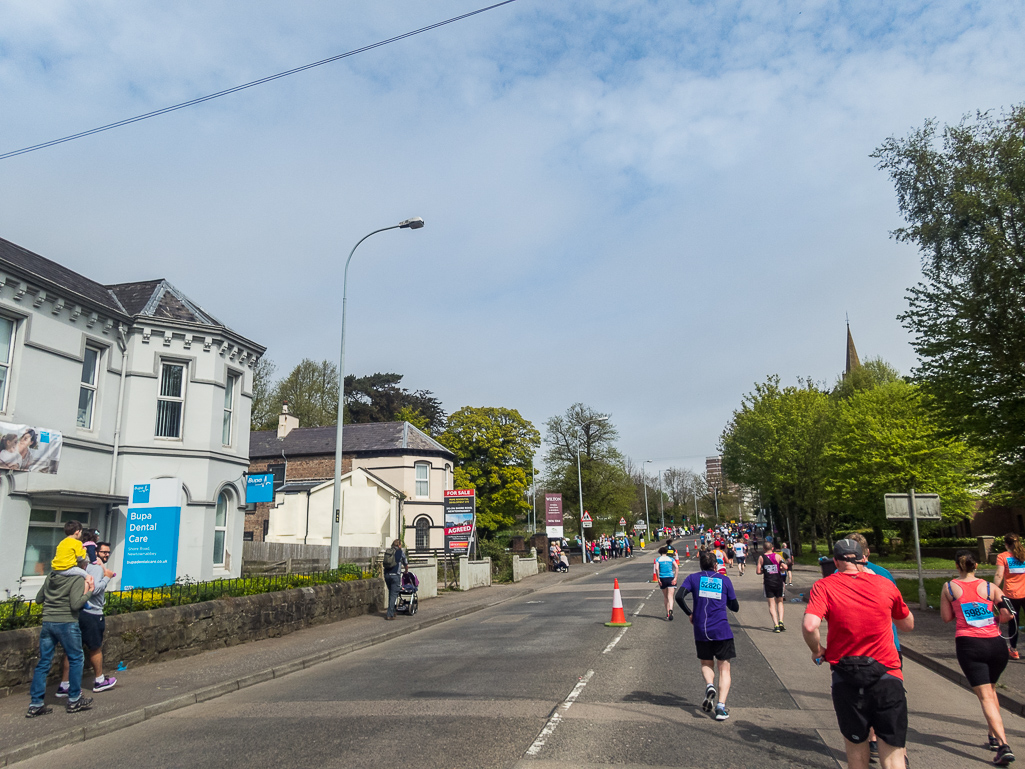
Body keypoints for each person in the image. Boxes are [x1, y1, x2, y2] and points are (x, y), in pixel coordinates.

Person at [802, 539, 914, 769]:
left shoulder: (824, 586)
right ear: (863, 558)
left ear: (835, 561)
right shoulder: (884, 584)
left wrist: (817, 650)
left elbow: (810, 626)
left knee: (856, 751)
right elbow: (907, 624)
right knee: (893, 756)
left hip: (846, 677)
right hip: (887, 675)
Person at [941, 549, 1015, 765]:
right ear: (976, 566)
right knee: (991, 691)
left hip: (969, 645)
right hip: (996, 645)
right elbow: (1008, 614)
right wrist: (991, 617)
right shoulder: (991, 587)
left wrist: (963, 611)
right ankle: (993, 736)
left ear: (957, 566)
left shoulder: (949, 588)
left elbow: (946, 617)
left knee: (985, 696)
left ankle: (1003, 745)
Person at [677, 550, 740, 721]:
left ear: (701, 565)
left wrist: (690, 613)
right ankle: (720, 707)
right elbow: (735, 607)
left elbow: (679, 596)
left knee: (706, 663)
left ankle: (710, 685)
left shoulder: (693, 578)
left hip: (701, 629)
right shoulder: (724, 580)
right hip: (722, 630)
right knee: (724, 668)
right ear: (715, 566)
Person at [27, 564, 96, 716]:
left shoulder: (51, 576)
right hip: (67, 622)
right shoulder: (77, 578)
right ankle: (74, 699)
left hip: (48, 622)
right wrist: (89, 592)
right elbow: (76, 604)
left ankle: (35, 704)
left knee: (44, 662)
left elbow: (39, 599)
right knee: (76, 659)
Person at [57, 537, 117, 695]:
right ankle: (99, 680)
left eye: (108, 552)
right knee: (95, 648)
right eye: (103, 552)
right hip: (92, 614)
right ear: (95, 551)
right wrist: (107, 578)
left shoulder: (81, 566)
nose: (106, 555)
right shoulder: (96, 567)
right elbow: (94, 589)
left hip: (78, 612)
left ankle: (64, 684)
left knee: (73, 650)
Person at [993, 533, 1025, 661]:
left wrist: (994, 590)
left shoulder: (1003, 557)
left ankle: (1013, 650)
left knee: (1014, 623)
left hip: (1011, 594)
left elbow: (999, 575)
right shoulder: (1023, 555)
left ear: (1006, 544)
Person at [757, 540, 787, 632]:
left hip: (768, 582)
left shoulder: (761, 557)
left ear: (764, 549)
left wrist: (765, 570)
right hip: (778, 582)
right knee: (780, 602)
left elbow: (758, 571)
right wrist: (780, 568)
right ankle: (781, 621)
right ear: (772, 548)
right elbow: (785, 567)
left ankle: (776, 625)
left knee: (771, 604)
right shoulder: (777, 556)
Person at [383, 539, 408, 620]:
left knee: (391, 593)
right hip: (395, 576)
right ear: (399, 545)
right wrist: (406, 571)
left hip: (387, 575)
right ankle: (389, 614)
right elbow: (406, 563)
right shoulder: (400, 552)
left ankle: (393, 611)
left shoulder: (388, 551)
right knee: (394, 594)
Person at [654, 546, 678, 620]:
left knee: (665, 596)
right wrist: (675, 578)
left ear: (660, 553)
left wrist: (658, 578)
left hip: (662, 578)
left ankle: (667, 613)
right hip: (671, 577)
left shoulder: (658, 559)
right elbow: (676, 567)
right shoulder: (671, 559)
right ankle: (671, 609)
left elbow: (657, 568)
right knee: (670, 596)